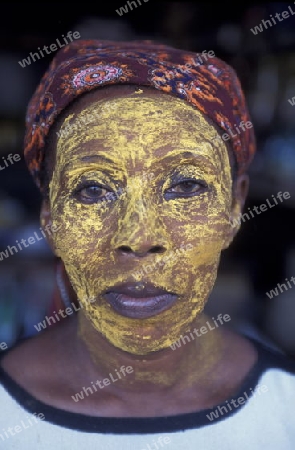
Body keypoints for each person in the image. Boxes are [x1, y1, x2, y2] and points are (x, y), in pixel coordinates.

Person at [0, 39, 294, 450]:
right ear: (50, 219)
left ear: (233, 208)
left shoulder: (286, 413)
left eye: (186, 185)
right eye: (92, 189)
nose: (139, 239)